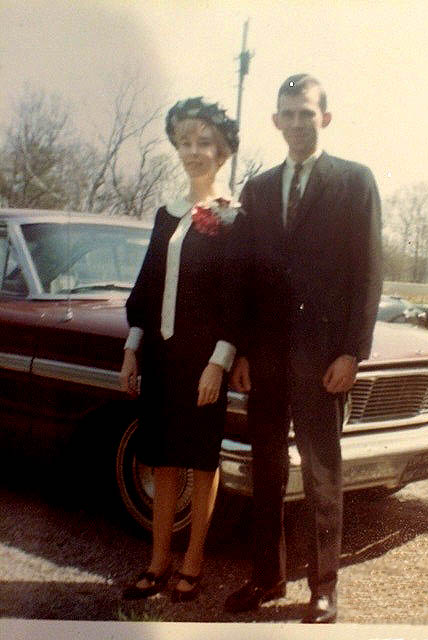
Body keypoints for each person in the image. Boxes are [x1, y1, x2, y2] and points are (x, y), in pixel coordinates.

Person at [223, 73, 383, 622]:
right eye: (288, 113)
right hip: (265, 359)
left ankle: (323, 587)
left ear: (325, 118)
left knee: (320, 472)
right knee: (266, 471)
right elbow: (247, 276)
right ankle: (266, 577)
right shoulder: (258, 189)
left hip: (324, 359)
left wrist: (352, 352)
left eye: (306, 113)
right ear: (275, 120)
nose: (297, 123)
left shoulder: (355, 182)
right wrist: (243, 352)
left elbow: (368, 272)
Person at [119, 97, 240, 602]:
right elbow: (148, 284)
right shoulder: (165, 214)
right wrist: (133, 347)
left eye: (204, 143)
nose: (193, 151)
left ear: (223, 151)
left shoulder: (232, 217)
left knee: (200, 461)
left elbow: (237, 296)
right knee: (162, 458)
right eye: (185, 142)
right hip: (162, 358)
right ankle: (157, 561)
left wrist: (220, 362)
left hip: (203, 361)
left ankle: (193, 564)